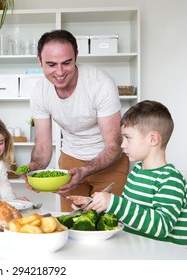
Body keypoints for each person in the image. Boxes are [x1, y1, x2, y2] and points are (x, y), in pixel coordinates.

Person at [26, 29, 129, 211]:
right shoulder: (39, 92)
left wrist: (85, 170)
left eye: (67, 63)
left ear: (76, 56)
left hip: (110, 162)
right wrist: (34, 167)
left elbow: (114, 145)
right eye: (51, 64)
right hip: (70, 163)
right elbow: (43, 146)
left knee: (107, 225)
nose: (59, 72)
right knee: (72, 225)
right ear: (39, 60)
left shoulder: (100, 83)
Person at [69, 100, 187, 246]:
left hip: (165, 256)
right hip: (136, 249)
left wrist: (114, 203)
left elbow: (161, 227)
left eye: (128, 138)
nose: (122, 144)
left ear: (153, 139)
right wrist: (95, 206)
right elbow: (127, 215)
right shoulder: (136, 172)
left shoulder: (171, 179)